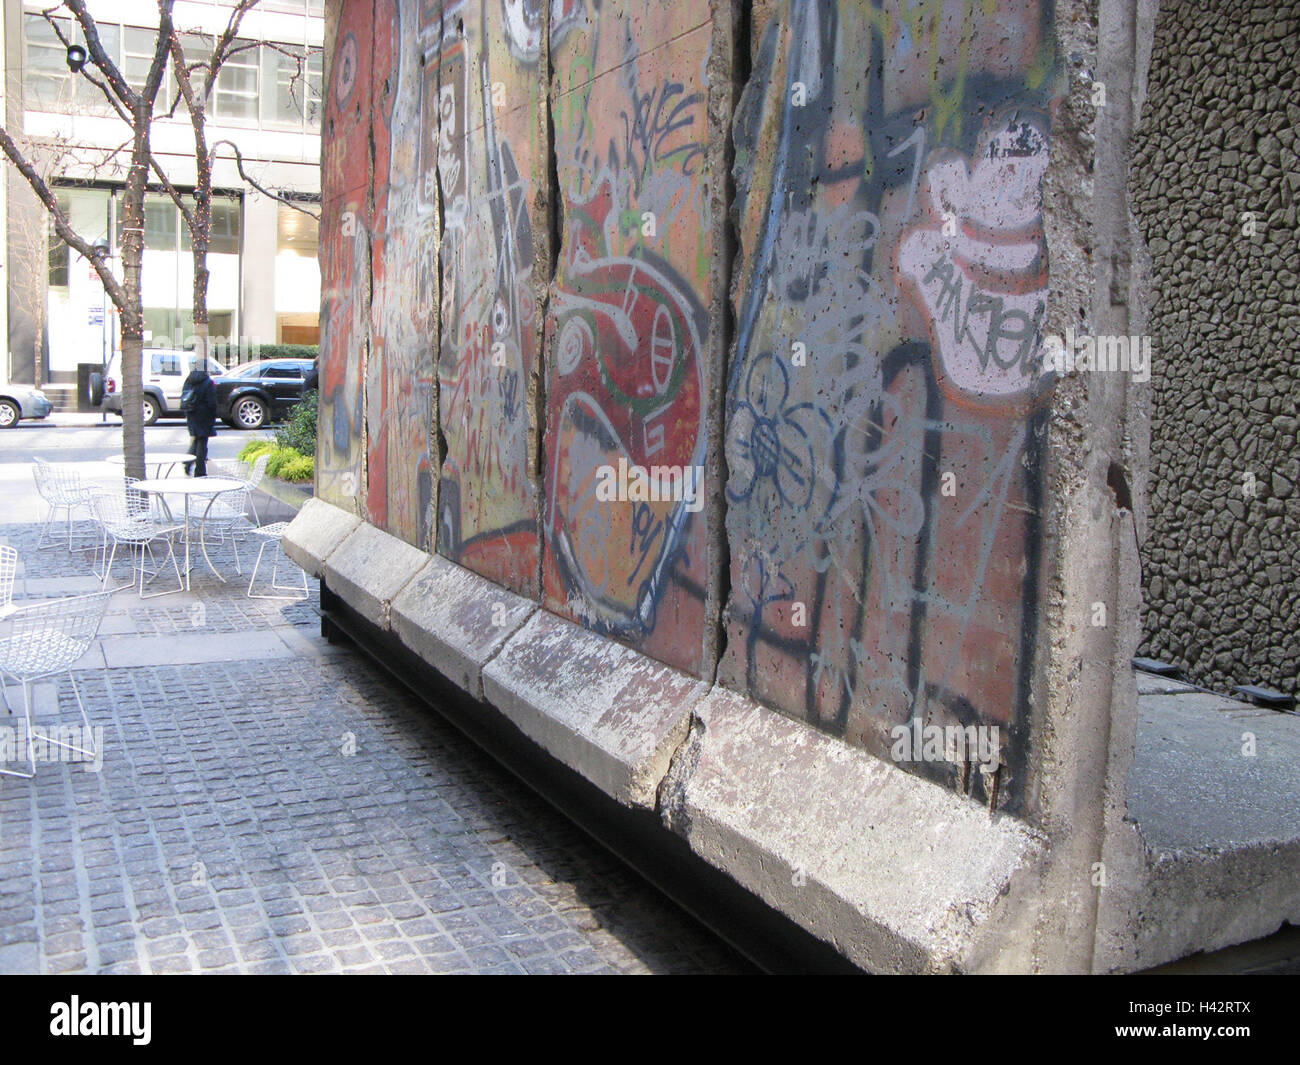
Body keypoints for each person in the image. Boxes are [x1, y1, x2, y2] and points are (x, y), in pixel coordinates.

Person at [182, 364, 218, 476]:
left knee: (197, 440)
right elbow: (211, 402)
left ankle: (188, 462)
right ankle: (200, 471)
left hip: (191, 413)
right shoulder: (207, 382)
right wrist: (214, 414)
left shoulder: (189, 379)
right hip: (204, 415)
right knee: (202, 443)